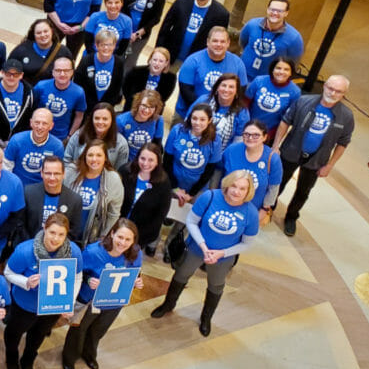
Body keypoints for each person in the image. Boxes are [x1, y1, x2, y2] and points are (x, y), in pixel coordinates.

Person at [151, 170, 259, 335]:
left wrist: (221, 253)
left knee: (216, 286)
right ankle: (168, 304)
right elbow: (191, 221)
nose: (237, 192)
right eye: (234, 186)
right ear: (227, 185)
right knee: (180, 275)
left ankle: (206, 318)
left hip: (223, 258)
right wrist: (203, 246)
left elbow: (247, 243)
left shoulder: (251, 213)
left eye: (242, 188)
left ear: (248, 191)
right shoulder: (210, 197)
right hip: (196, 248)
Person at [4, 212, 83, 369]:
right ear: (44, 229)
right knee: (14, 332)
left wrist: (69, 301)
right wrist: (26, 281)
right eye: (52, 232)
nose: (56, 239)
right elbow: (8, 272)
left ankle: (28, 361)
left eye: (61, 234)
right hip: (26, 304)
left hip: (52, 306)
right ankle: (11, 358)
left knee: (38, 335)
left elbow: (77, 277)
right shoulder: (25, 250)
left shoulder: (74, 252)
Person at [272, 75, 354, 237]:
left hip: (317, 160)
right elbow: (285, 121)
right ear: (324, 86)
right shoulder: (304, 102)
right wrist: (276, 146)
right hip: (291, 151)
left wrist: (330, 165)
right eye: (330, 88)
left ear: (344, 94)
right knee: (277, 183)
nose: (333, 93)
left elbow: (343, 143)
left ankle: (291, 217)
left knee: (303, 191)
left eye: (338, 91)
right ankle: (268, 208)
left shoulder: (346, 116)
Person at [62, 219, 144, 369]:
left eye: (128, 239)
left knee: (98, 331)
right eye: (120, 237)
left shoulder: (135, 253)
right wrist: (88, 280)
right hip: (89, 300)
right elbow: (76, 273)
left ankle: (89, 354)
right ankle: (69, 358)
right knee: (78, 330)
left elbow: (135, 273)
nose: (123, 243)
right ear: (112, 233)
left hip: (113, 302)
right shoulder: (93, 252)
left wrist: (137, 282)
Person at [218, 119, 282, 226]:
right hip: (225, 203)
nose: (250, 138)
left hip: (251, 210)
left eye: (256, 135)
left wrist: (264, 209)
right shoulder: (232, 150)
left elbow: (273, 188)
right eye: (246, 134)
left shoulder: (272, 159)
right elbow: (219, 171)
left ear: (265, 137)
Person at [175, 27, 247, 118]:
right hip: (188, 112)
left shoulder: (238, 64)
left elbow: (241, 91)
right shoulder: (193, 60)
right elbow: (186, 91)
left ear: (228, 43)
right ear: (208, 42)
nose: (218, 44)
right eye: (215, 41)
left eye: (222, 41)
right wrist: (206, 112)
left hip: (221, 117)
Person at [158, 0, 229, 63]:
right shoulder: (181, 1)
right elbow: (165, 27)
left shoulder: (221, 14)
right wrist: (159, 52)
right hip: (171, 57)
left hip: (197, 62)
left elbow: (219, 43)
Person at [164, 104, 223, 210]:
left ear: (209, 120)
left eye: (202, 119)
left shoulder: (215, 140)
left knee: (184, 219)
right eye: (194, 118)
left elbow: (209, 171)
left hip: (197, 188)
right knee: (167, 212)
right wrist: (175, 188)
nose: (197, 123)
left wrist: (191, 193)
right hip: (173, 182)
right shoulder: (178, 131)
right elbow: (167, 161)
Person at [65, 139, 124, 243]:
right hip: (67, 230)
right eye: (90, 155)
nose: (94, 159)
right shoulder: (71, 171)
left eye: (99, 155)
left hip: (93, 235)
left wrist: (103, 237)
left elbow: (113, 214)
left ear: (105, 158)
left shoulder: (113, 179)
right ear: (84, 156)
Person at [119, 143, 172, 254]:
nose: (145, 163)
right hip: (116, 229)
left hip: (140, 236)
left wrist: (135, 238)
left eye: (151, 160)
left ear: (158, 161)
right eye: (142, 158)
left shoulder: (163, 183)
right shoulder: (125, 171)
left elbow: (159, 216)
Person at [19, 155, 84, 245]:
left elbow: (73, 232)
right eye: (48, 173)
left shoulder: (75, 200)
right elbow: (20, 225)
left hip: (59, 249)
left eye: (56, 173)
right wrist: (32, 245)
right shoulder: (28, 192)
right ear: (42, 173)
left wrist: (54, 246)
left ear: (63, 174)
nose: (52, 178)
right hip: (30, 245)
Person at [240, 0, 303, 79]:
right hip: (242, 75)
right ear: (267, 9)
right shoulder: (252, 24)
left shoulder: (294, 37)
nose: (275, 13)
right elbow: (243, 42)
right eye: (272, 9)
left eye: (280, 11)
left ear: (286, 13)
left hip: (268, 81)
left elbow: (293, 63)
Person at [121, 0, 166, 69]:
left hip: (141, 36)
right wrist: (127, 30)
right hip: (123, 30)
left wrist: (138, 33)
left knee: (130, 63)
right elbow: (121, 8)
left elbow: (156, 18)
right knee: (117, 58)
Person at [4, 108, 65, 186]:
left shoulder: (57, 146)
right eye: (37, 122)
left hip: (42, 190)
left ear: (51, 126)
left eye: (44, 123)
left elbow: (56, 175)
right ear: (31, 123)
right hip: (17, 186)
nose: (40, 127)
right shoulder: (16, 140)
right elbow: (6, 169)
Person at [32, 56, 87, 141]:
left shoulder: (78, 92)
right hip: (37, 134)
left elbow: (79, 116)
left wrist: (70, 136)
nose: (62, 74)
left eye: (66, 71)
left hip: (61, 138)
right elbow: (30, 108)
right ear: (53, 72)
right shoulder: (41, 87)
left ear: (72, 72)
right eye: (58, 70)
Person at [190, 73, 249, 150]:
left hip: (221, 154)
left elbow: (238, 143)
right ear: (217, 87)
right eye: (223, 85)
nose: (226, 90)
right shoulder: (203, 100)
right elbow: (188, 124)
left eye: (231, 87)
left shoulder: (242, 112)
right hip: (193, 146)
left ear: (236, 92)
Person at [0, 57, 32, 145]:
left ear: (21, 75)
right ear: (2, 73)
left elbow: (30, 120)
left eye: (15, 74)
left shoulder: (30, 93)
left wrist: (18, 140)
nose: (11, 77)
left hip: (19, 142)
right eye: (8, 74)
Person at [65, 103, 130, 171]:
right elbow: (67, 160)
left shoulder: (121, 143)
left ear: (112, 121)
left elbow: (119, 170)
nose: (100, 122)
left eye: (105, 119)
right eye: (97, 118)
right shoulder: (78, 135)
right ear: (91, 119)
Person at [246, 57, 300, 137]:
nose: (281, 72)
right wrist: (245, 124)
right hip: (247, 125)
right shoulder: (259, 81)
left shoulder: (295, 92)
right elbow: (245, 103)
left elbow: (287, 119)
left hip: (269, 133)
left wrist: (270, 135)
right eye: (278, 68)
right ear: (272, 69)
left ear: (291, 73)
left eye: (286, 69)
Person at [8, 18, 72, 84]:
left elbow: (69, 75)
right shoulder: (22, 49)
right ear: (34, 35)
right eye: (38, 33)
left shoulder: (63, 52)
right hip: (25, 91)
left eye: (46, 31)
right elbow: (8, 69)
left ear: (52, 31)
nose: (43, 35)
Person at [74, 29, 125, 108]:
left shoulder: (119, 63)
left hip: (106, 107)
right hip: (85, 105)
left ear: (114, 46)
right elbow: (77, 84)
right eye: (103, 45)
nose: (106, 48)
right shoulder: (86, 60)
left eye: (110, 45)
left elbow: (117, 88)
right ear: (96, 46)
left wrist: (107, 106)